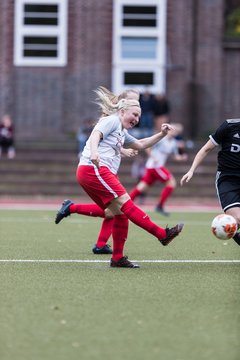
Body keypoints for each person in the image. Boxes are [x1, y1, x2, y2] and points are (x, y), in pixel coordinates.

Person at [55, 87, 184, 268]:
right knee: (126, 203)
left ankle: (117, 258)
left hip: (95, 171)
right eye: (135, 114)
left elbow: (140, 144)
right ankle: (162, 235)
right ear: (122, 110)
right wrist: (94, 153)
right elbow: (95, 135)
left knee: (118, 214)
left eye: (139, 116)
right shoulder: (112, 120)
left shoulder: (121, 130)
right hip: (95, 169)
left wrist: (162, 134)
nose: (137, 119)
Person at [180, 118, 240, 246]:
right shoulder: (229, 126)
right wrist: (191, 170)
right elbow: (206, 149)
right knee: (236, 220)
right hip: (228, 180)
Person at [130, 123, 187, 216]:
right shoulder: (161, 139)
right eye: (175, 130)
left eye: (178, 131)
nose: (176, 132)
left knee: (142, 187)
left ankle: (125, 204)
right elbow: (147, 147)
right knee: (171, 183)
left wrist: (182, 157)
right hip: (155, 166)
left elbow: (175, 156)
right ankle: (159, 206)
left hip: (154, 168)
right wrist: (153, 157)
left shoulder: (173, 143)